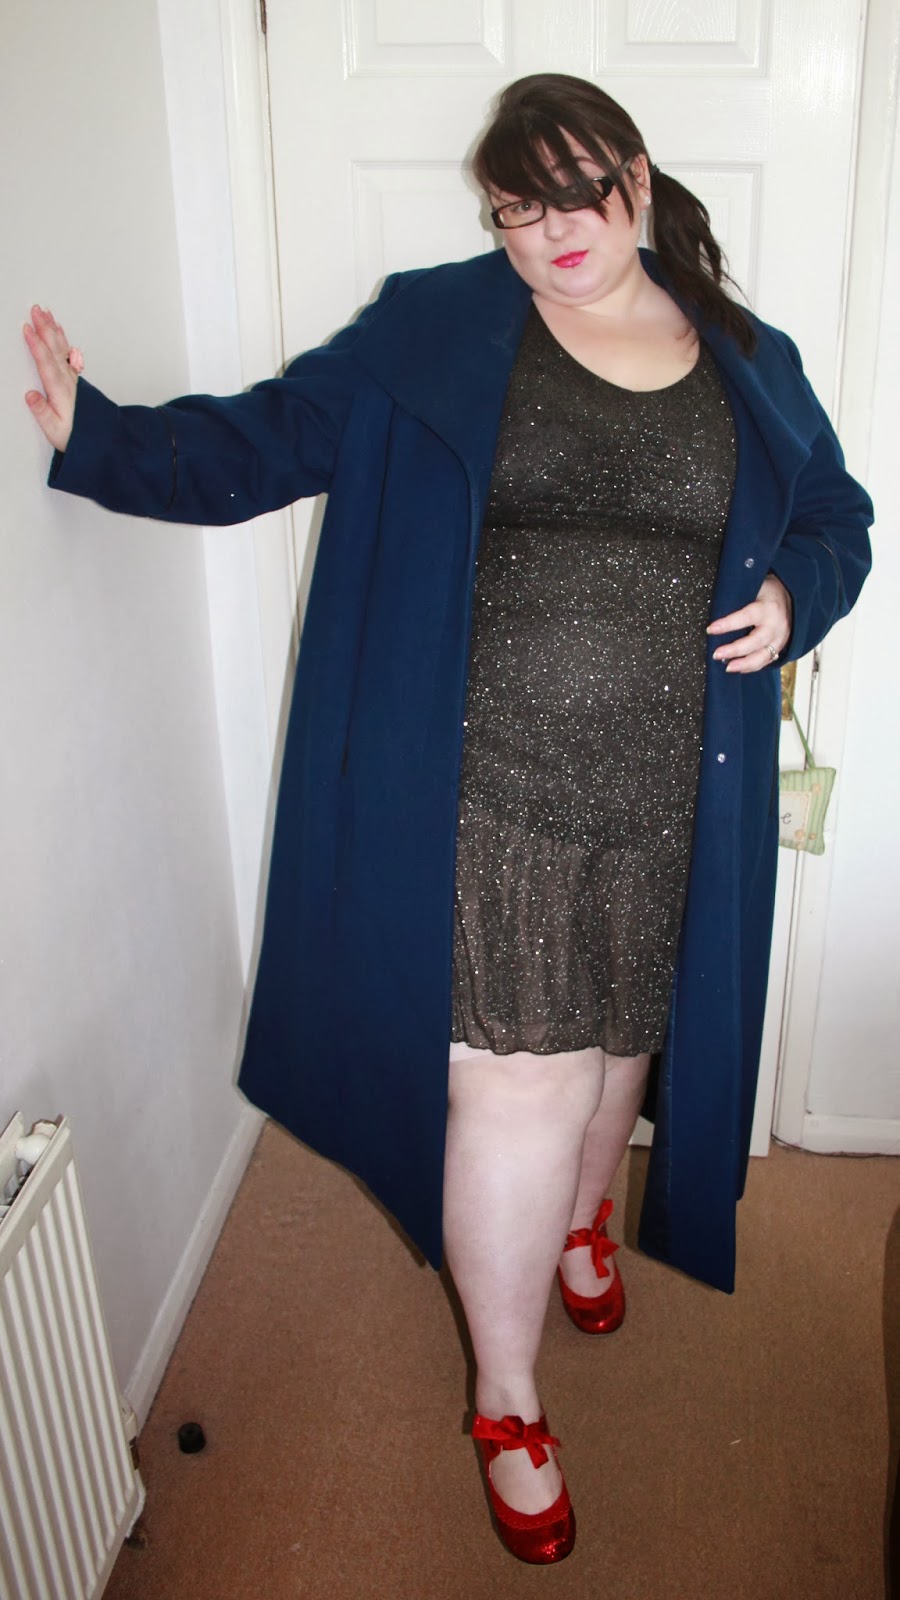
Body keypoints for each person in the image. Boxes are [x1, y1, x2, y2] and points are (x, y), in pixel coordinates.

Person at [24, 73, 872, 1565]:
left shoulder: (743, 351)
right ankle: (506, 1399)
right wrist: (102, 437)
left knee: (621, 1049)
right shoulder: (439, 328)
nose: (554, 230)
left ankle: (581, 1221)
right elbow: (276, 436)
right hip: (491, 793)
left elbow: (837, 513)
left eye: (580, 192)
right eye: (517, 207)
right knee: (521, 1089)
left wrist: (799, 591)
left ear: (638, 176)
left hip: (678, 789)